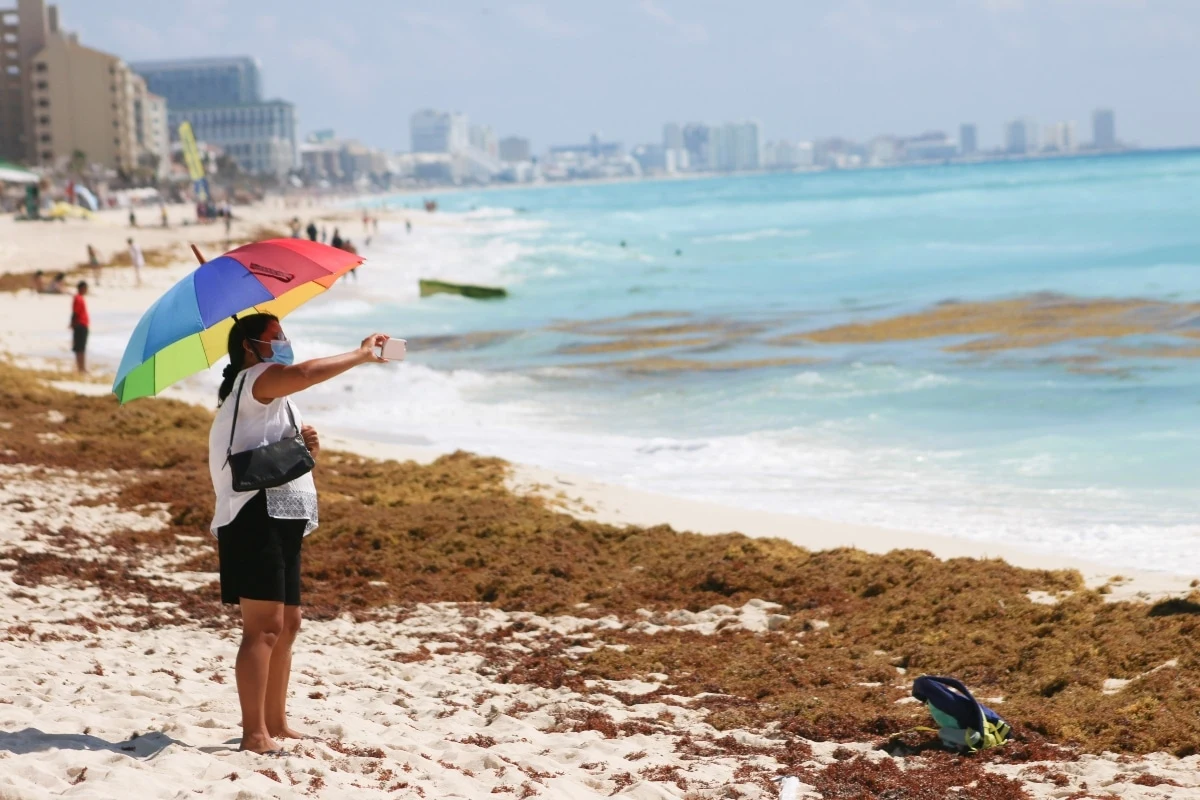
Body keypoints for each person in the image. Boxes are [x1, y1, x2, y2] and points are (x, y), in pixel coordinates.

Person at [208, 314, 390, 754]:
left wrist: (308, 448)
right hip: (254, 516)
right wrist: (363, 354)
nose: (285, 341)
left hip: (283, 512)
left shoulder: (271, 394)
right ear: (251, 347)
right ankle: (254, 735)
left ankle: (276, 722)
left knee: (288, 624)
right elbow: (306, 373)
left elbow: (275, 453)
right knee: (263, 629)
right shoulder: (255, 378)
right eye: (275, 336)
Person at [70, 281, 89, 373]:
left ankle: (81, 367)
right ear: (82, 288)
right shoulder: (78, 298)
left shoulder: (80, 298)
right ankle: (81, 368)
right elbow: (75, 312)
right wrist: (73, 324)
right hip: (80, 325)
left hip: (82, 324)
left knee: (81, 348)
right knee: (80, 348)